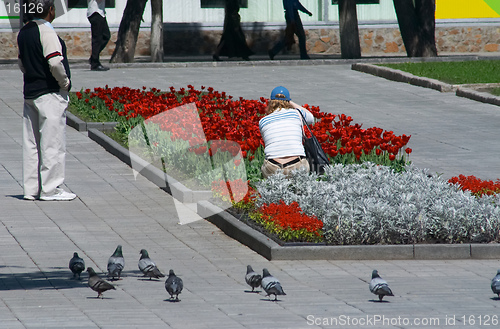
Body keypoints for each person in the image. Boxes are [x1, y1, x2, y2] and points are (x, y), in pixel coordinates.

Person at [17, 0, 77, 201]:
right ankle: (51, 189)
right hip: (49, 93)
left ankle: (31, 189)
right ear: (51, 10)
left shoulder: (24, 32)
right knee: (53, 143)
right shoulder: (47, 32)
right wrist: (65, 83)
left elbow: (21, 62)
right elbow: (54, 62)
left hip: (30, 93)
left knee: (31, 143)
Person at [259, 86, 315, 178]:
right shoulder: (296, 114)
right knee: (300, 189)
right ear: (288, 101)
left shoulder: (263, 121)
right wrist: (291, 102)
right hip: (297, 164)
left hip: (273, 166)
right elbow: (311, 117)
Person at [87, 0, 110, 71]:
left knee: (106, 35)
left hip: (100, 13)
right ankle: (95, 64)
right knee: (97, 39)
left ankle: (93, 58)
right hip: (95, 13)